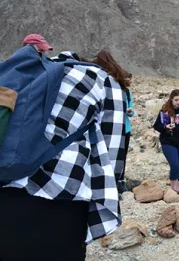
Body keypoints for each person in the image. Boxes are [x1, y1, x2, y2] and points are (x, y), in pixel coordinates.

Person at [0, 44, 126, 260]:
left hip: (6, 185)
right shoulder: (104, 80)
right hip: (61, 202)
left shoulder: (29, 74)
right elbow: (113, 150)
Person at [91, 50, 131, 186]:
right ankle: (116, 182)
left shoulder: (97, 79)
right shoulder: (119, 87)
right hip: (118, 130)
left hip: (100, 131)